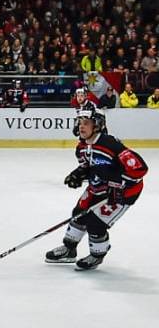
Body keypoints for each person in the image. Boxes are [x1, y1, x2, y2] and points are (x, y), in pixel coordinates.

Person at [45, 108, 147, 270]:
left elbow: (139, 170)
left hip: (122, 193)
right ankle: (69, 249)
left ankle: (97, 255)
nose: (81, 127)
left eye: (86, 123)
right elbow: (89, 167)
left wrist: (116, 181)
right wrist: (79, 173)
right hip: (98, 188)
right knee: (78, 214)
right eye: (79, 123)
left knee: (95, 224)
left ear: (97, 125)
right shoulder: (82, 147)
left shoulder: (111, 145)